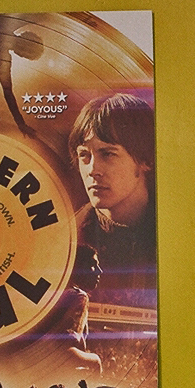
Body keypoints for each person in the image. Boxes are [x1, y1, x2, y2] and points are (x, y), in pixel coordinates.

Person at [69, 93, 156, 286]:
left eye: (108, 154)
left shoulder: (174, 231)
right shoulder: (65, 244)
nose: (92, 170)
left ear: (147, 159)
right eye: (84, 155)